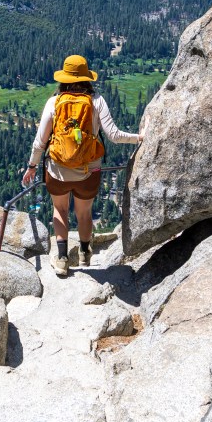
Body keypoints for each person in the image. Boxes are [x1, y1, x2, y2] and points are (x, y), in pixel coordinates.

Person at [22, 54, 143, 277]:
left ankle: (62, 259)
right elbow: (114, 136)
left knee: (60, 211)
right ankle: (86, 252)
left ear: (64, 77)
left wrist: (31, 166)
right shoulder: (97, 100)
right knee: (84, 214)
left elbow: (40, 142)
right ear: (87, 77)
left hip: (57, 171)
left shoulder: (54, 101)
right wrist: (140, 137)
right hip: (89, 171)